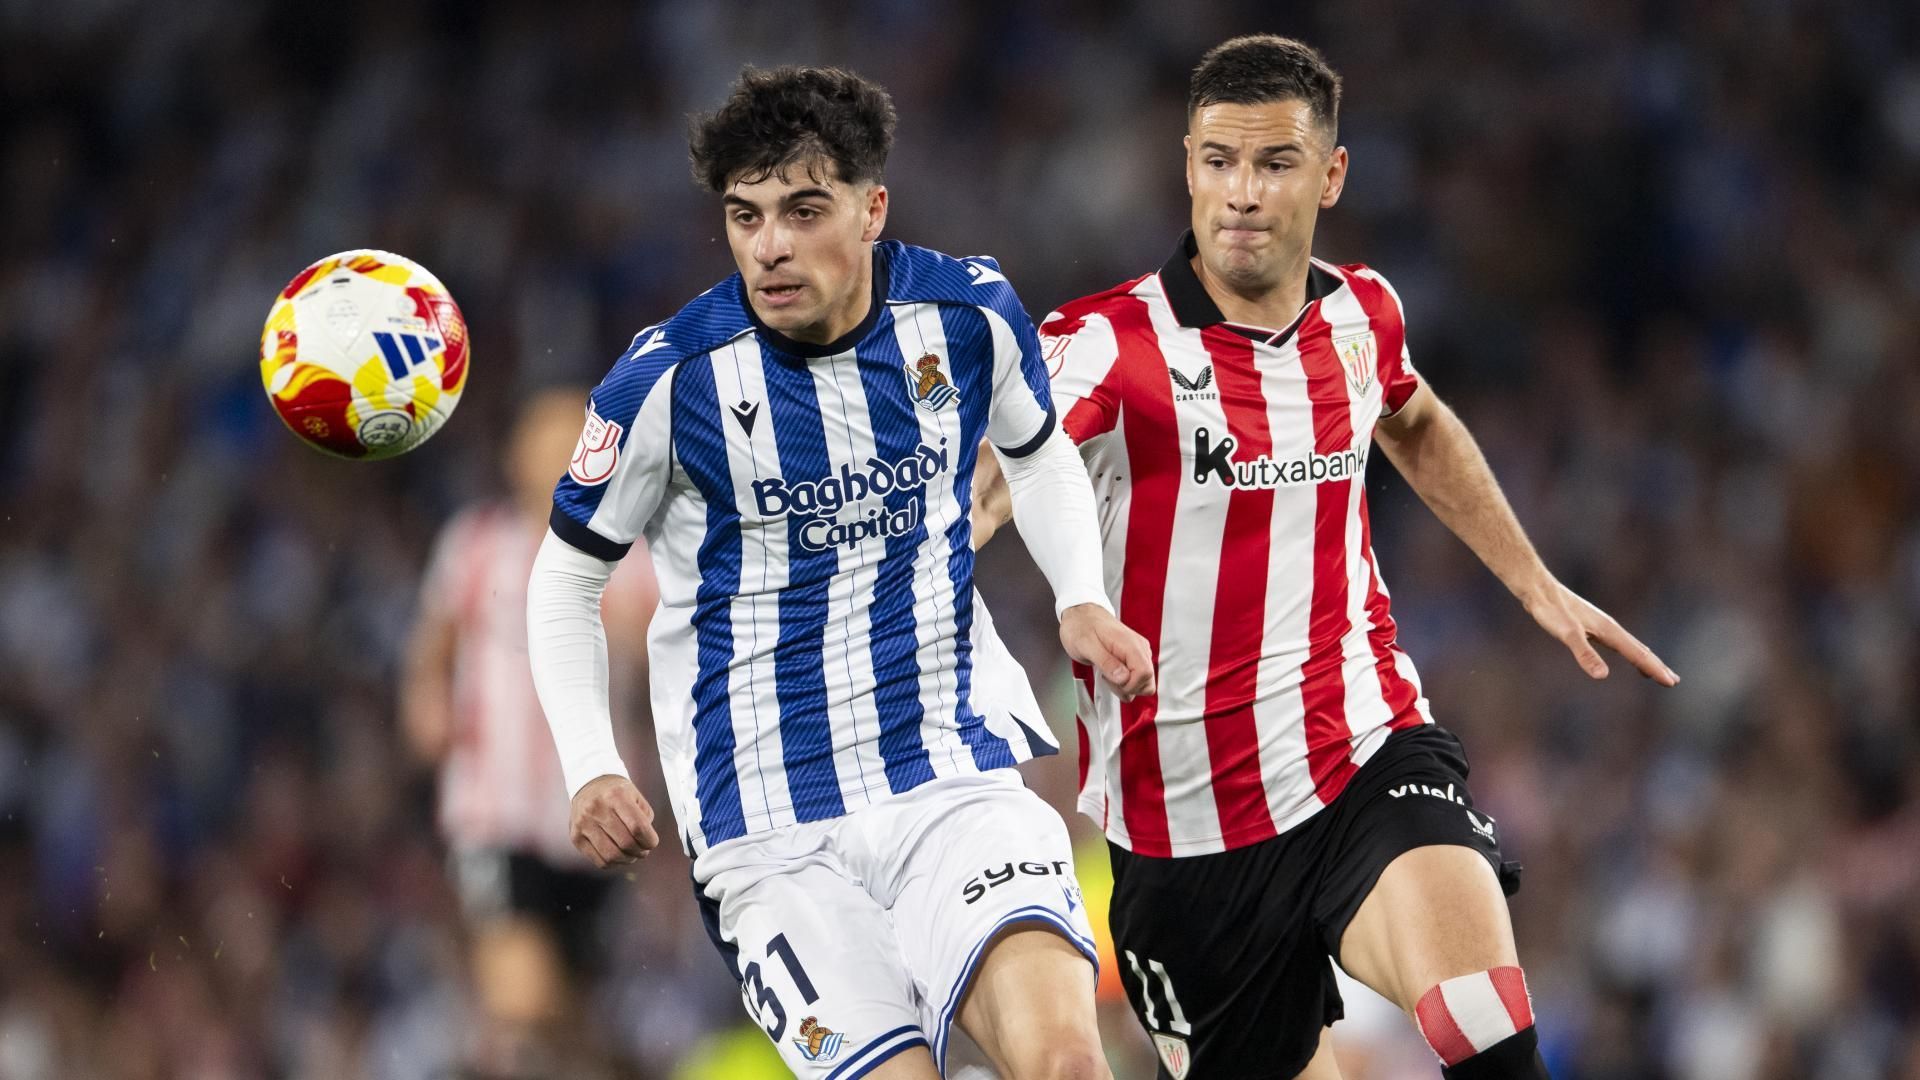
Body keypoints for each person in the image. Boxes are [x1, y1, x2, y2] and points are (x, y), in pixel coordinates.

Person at [972, 35, 1680, 1080]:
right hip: (1185, 838)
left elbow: (1417, 421)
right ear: (1187, 167)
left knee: (1493, 1037)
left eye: (1275, 163)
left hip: (1359, 751)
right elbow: (988, 487)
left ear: (1331, 175)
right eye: (1218, 161)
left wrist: (1533, 580)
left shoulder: (1362, 316)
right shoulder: (1105, 343)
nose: (1242, 193)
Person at [525, 65, 1155, 1080]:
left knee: (1067, 1063)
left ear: (872, 210)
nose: (769, 246)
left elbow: (1035, 454)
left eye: (803, 211)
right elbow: (566, 578)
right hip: (766, 834)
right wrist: (591, 760)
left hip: (949, 775)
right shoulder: (667, 380)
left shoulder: (966, 312)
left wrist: (1079, 594)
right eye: (745, 216)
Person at [401, 386, 657, 1073]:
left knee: (575, 1007)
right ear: (516, 459)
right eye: (543, 449)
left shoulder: (630, 560)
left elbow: (664, 662)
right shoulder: (476, 545)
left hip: (596, 821)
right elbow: (436, 648)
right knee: (521, 993)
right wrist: (426, 702)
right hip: (497, 810)